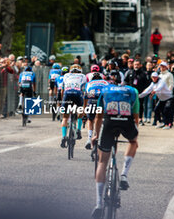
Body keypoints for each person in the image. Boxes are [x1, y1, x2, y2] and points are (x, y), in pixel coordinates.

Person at [91, 71, 139, 218]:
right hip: (126, 123)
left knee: (102, 162)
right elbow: (136, 117)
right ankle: (124, 174)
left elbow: (98, 116)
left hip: (109, 123)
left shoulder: (104, 90)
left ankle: (99, 204)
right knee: (133, 142)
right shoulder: (132, 91)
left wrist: (95, 134)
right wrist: (134, 132)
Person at [60, 64, 87, 148]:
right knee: (80, 112)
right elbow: (84, 91)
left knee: (65, 117)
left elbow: (62, 90)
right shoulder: (83, 76)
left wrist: (62, 101)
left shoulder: (66, 75)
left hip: (67, 94)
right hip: (77, 93)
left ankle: (64, 136)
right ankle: (78, 130)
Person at [84, 72, 109, 149]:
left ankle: (89, 138)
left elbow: (86, 96)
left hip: (92, 99)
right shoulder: (106, 82)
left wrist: (84, 109)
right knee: (99, 118)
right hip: (102, 100)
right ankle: (98, 137)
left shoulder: (89, 83)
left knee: (90, 119)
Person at [124, 59, 149, 125]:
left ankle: (140, 119)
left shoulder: (143, 74)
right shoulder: (129, 72)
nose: (136, 66)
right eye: (135, 64)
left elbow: (147, 84)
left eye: (138, 65)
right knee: (129, 105)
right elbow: (125, 82)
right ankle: (130, 118)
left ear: (140, 65)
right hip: (130, 93)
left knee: (140, 106)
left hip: (140, 93)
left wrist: (144, 92)